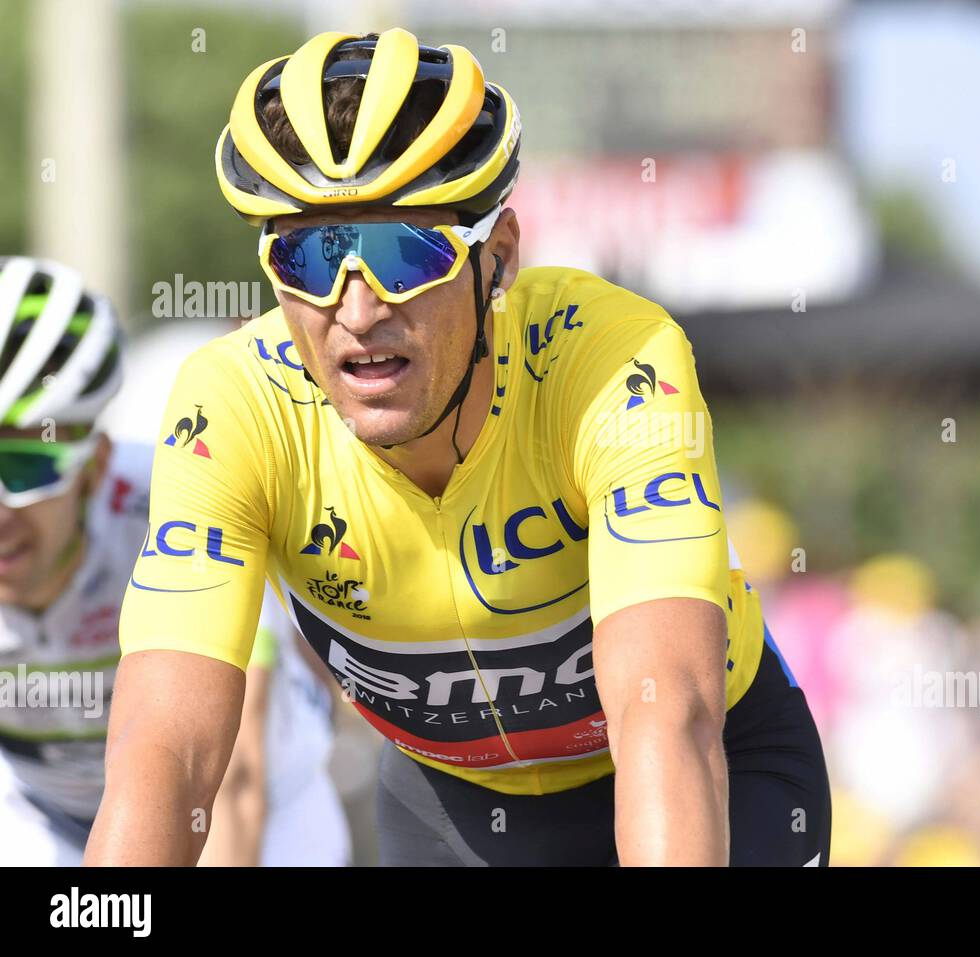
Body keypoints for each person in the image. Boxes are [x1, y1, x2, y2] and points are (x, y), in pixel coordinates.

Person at [86, 28, 831, 866]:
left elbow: (667, 719)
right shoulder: (234, 409)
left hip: (711, 769)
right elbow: (164, 758)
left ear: (499, 258)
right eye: (312, 255)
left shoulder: (613, 364)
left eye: (403, 253)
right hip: (458, 810)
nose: (357, 309)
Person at [0, 255, 346, 866]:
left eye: (24, 465)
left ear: (96, 466)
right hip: (44, 813)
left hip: (253, 809)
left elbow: (230, 778)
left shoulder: (177, 505)